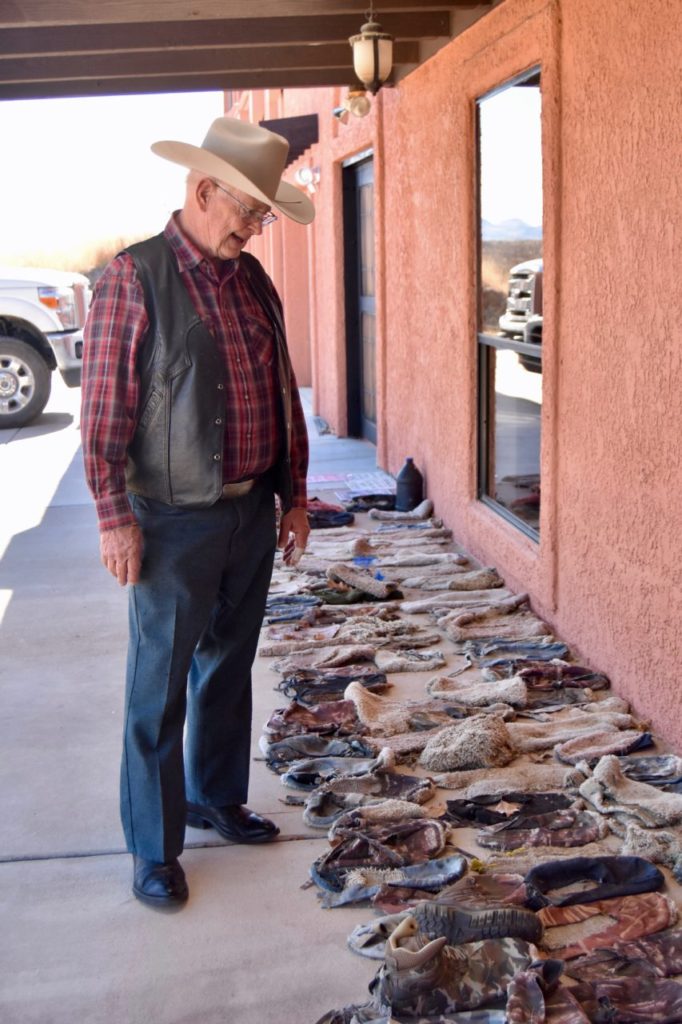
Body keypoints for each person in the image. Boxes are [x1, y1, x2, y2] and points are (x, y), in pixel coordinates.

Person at [80, 117, 314, 909]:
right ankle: (153, 846)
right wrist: (115, 519)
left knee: (228, 669)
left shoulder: (252, 281)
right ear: (202, 189)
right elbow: (104, 417)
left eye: (263, 215)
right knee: (160, 685)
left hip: (250, 513)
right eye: (247, 209)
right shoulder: (134, 278)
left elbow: (281, 393)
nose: (253, 227)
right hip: (172, 519)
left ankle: (217, 798)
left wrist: (295, 496)